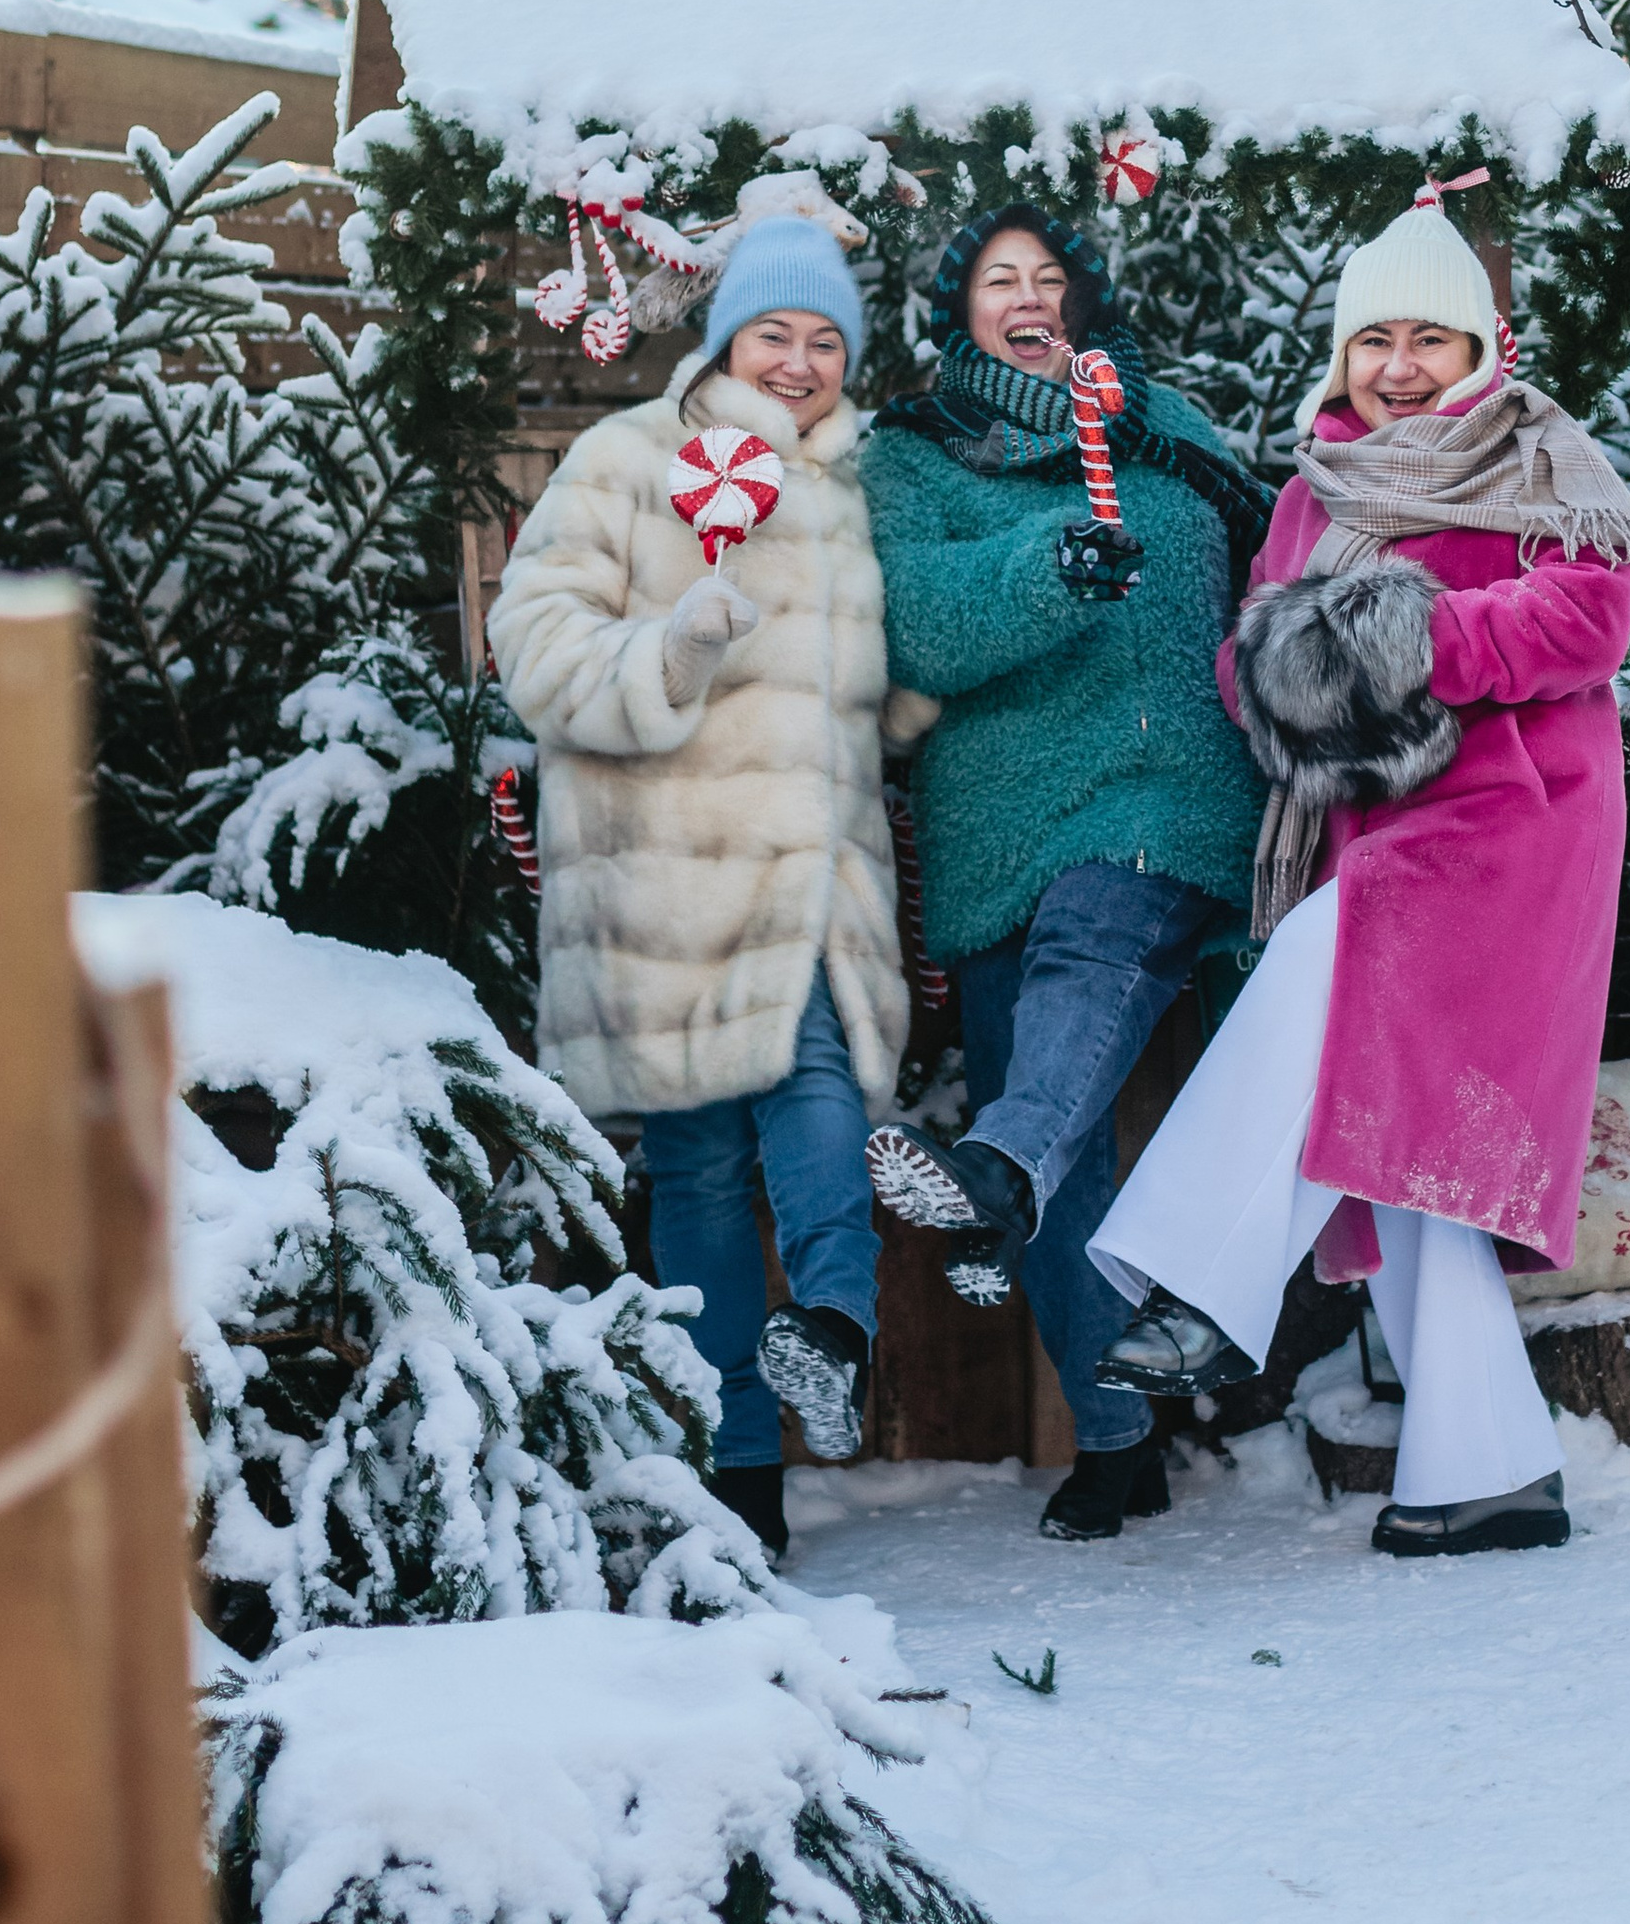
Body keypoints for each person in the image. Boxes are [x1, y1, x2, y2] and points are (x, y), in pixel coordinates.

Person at [1086, 186, 1630, 1559]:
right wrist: (1313, 664)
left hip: (1514, 827)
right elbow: (1251, 664)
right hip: (1376, 822)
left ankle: (1203, 1277)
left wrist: (1392, 641)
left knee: (1319, 976)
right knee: (1400, 1139)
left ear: (1481, 352)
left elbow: (1587, 615)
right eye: (1375, 340)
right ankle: (1491, 1470)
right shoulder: (1313, 491)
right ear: (1343, 355)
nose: (1399, 364)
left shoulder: (1536, 458)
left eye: (1430, 338)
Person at [486, 206, 908, 1566]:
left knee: (817, 1074)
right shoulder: (630, 460)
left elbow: (871, 692)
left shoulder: (853, 485)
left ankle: (831, 1327)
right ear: (727, 338)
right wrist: (670, 651)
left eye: (825, 339)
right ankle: (737, 1468)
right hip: (660, 878)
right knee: (702, 1171)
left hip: (808, 870)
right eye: (774, 333)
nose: (798, 361)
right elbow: (531, 638)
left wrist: (918, 702)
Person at [858, 203, 1272, 1542]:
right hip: (996, 825)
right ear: (960, 309)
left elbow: (1281, 565)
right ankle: (1117, 1434)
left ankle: (995, 1167)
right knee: (1056, 1137)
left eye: (1048, 278)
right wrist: (1044, 567)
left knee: (1094, 951)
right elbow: (912, 620)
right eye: (997, 280)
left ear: (1083, 302)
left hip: (1169, 793)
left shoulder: (1181, 432)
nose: (1025, 298)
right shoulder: (916, 454)